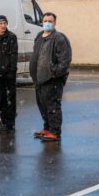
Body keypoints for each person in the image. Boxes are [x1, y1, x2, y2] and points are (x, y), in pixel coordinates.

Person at [30, 12, 72, 142]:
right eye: (45, 20)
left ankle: (55, 132)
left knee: (52, 106)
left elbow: (65, 59)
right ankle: (47, 128)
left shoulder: (59, 38)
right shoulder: (39, 36)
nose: (47, 23)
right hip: (39, 79)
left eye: (50, 21)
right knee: (42, 105)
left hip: (52, 80)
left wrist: (54, 73)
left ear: (55, 23)